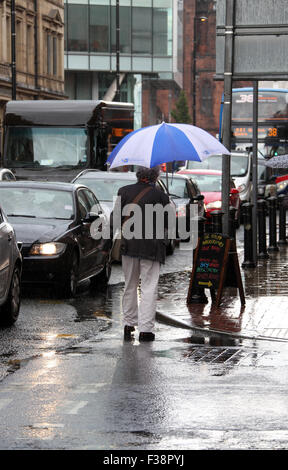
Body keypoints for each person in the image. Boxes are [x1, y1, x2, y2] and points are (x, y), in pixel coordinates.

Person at [110, 166, 170, 342]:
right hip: (152, 248)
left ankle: (128, 324)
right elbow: (169, 223)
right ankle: (146, 330)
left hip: (129, 246)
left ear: (138, 175)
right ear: (155, 176)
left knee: (130, 285)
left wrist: (107, 244)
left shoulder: (124, 191)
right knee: (149, 288)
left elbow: (114, 219)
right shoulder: (160, 195)